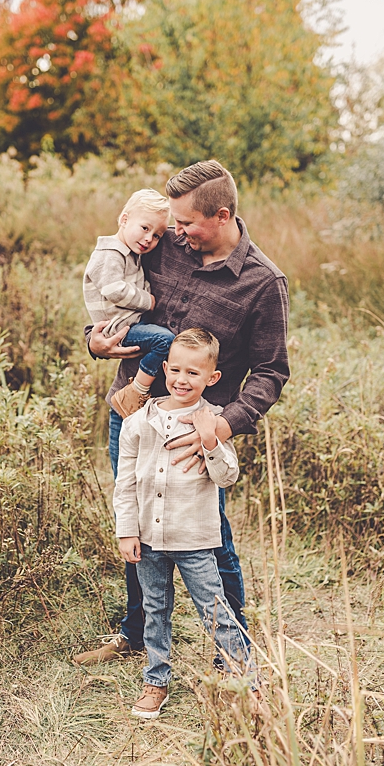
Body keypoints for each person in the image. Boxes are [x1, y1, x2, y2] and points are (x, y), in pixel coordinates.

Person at [75, 159, 290, 666]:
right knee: (136, 518)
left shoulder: (262, 283)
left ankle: (233, 654)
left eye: (187, 223)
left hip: (195, 431)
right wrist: (95, 343)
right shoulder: (163, 244)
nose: (176, 232)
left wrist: (222, 424)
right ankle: (133, 633)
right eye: (173, 222)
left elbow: (271, 371)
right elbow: (111, 301)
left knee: (210, 536)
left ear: (221, 215)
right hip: (133, 414)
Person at [115, 328, 249, 719]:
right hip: (149, 538)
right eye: (175, 370)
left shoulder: (214, 420)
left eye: (193, 373)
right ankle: (156, 681)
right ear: (163, 369)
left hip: (193, 538)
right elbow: (125, 482)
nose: (181, 380)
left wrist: (210, 441)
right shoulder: (139, 422)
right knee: (156, 610)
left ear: (212, 378)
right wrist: (127, 530)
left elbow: (227, 477)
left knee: (215, 610)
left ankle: (246, 681)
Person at [82, 188, 175, 419]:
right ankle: (137, 391)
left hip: (129, 322)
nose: (149, 239)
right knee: (164, 340)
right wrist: (149, 301)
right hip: (120, 327)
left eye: (156, 236)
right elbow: (113, 290)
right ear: (124, 219)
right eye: (145, 228)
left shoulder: (130, 251)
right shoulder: (110, 253)